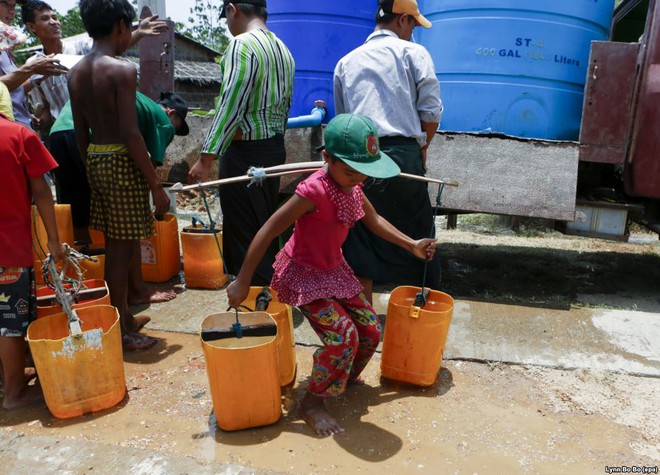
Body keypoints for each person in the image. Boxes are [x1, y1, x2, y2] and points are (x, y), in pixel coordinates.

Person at [226, 114, 437, 436]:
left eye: (362, 172)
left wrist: (412, 245)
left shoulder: (353, 184)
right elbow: (268, 231)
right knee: (343, 337)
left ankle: (338, 377)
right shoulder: (312, 192)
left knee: (369, 330)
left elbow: (374, 219)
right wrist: (242, 280)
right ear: (327, 158)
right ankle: (312, 403)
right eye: (350, 171)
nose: (356, 178)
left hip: (334, 270)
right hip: (303, 274)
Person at [68, 0, 170, 351]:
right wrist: (156, 185)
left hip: (96, 159)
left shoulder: (76, 72)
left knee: (115, 242)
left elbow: (82, 133)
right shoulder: (122, 71)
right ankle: (120, 328)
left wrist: (92, 168)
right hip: (122, 162)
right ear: (120, 27)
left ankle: (124, 317)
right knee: (122, 250)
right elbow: (130, 133)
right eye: (129, 30)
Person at [20, 0, 166, 242]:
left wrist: (138, 32)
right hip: (79, 138)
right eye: (45, 18)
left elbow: (110, 41)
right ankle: (94, 261)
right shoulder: (34, 65)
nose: (54, 22)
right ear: (31, 27)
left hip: (87, 145)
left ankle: (93, 262)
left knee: (101, 218)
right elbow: (131, 133)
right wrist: (155, 184)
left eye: (55, 17)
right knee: (105, 224)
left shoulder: (78, 52)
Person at [334, 0, 443, 302]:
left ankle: (366, 325)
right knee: (417, 242)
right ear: (403, 21)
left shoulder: (346, 62)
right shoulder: (414, 54)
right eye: (412, 25)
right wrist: (422, 148)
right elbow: (431, 112)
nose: (412, 33)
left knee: (360, 244)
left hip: (360, 160)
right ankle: (414, 320)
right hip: (403, 157)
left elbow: (345, 123)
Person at [188, 0, 294, 286]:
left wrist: (206, 156)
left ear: (233, 9)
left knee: (245, 233)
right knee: (266, 226)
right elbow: (285, 106)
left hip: (246, 153)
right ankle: (267, 294)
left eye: (226, 17)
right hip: (273, 148)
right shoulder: (284, 51)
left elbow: (230, 106)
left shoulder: (242, 45)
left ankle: (254, 303)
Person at [49, 91, 188, 304]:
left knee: (77, 211)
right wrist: (154, 192)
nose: (174, 132)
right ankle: (137, 289)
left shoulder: (137, 101)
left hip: (59, 132)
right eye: (179, 125)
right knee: (127, 226)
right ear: (172, 113)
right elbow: (150, 165)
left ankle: (88, 283)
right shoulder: (164, 122)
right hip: (95, 139)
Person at [0, 105, 64, 410]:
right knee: (10, 323)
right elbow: (42, 191)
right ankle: (14, 393)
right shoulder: (19, 135)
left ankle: (8, 378)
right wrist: (54, 241)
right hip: (8, 251)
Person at [0, 3, 66, 128]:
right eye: (5, 4)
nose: (11, 11)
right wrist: (31, 70)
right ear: (31, 26)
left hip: (21, 126)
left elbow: (14, 92)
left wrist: (24, 114)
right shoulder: (33, 63)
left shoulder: (6, 49)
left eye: (13, 5)